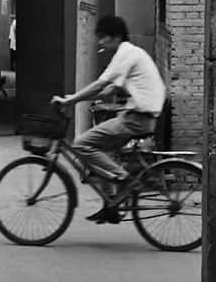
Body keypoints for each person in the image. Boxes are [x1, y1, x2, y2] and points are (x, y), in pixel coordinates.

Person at [51, 14, 166, 224]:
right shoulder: (131, 53)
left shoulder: (125, 53)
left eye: (104, 37)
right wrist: (76, 98)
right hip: (141, 116)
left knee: (81, 144)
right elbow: (109, 90)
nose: (100, 42)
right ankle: (111, 205)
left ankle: (124, 178)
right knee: (102, 152)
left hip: (137, 118)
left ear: (116, 37)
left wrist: (71, 101)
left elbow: (100, 84)